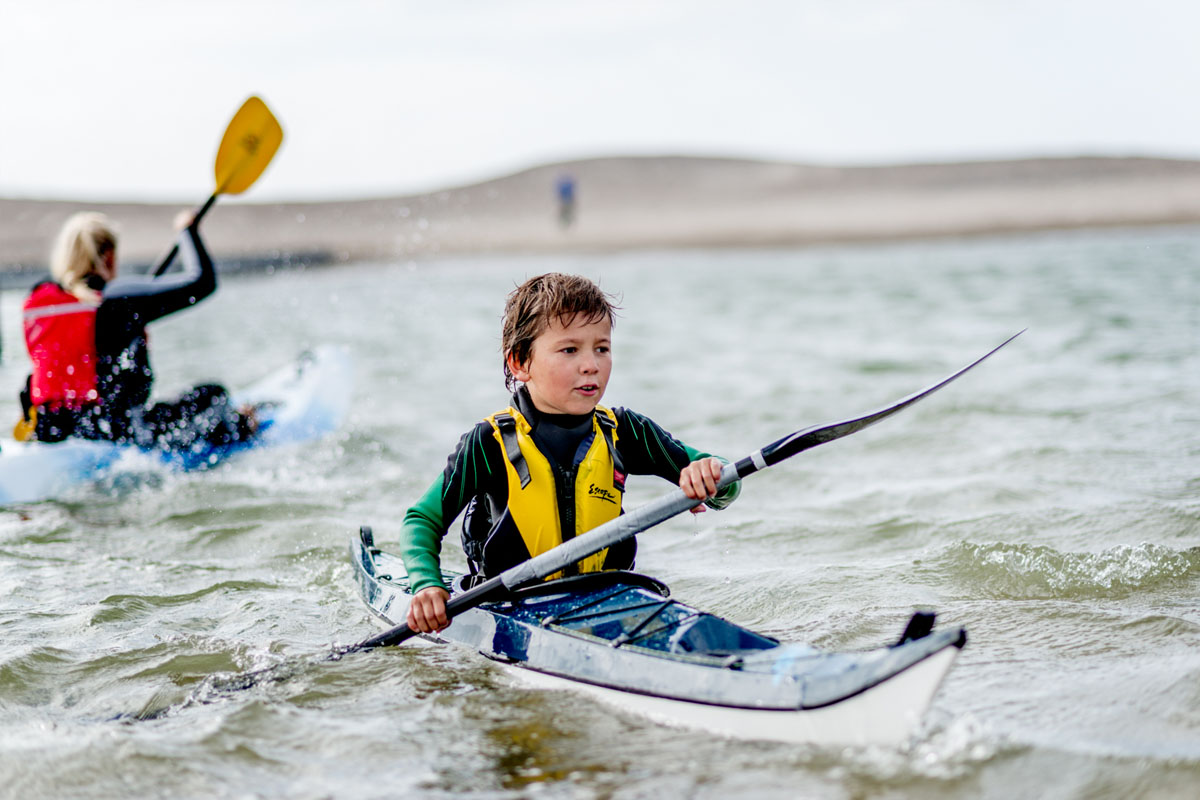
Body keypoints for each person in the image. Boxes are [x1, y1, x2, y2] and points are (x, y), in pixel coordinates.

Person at [401, 272, 740, 634]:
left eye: (602, 348)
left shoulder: (626, 431)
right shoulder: (490, 442)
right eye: (569, 350)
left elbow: (727, 485)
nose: (591, 364)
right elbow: (422, 520)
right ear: (520, 362)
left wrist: (708, 473)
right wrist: (427, 585)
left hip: (607, 602)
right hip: (511, 610)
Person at [14, 210, 255, 451]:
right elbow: (202, 282)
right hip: (111, 435)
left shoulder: (37, 301)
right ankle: (243, 425)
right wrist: (187, 231)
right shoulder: (116, 299)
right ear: (109, 257)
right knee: (213, 395)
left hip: (49, 430)